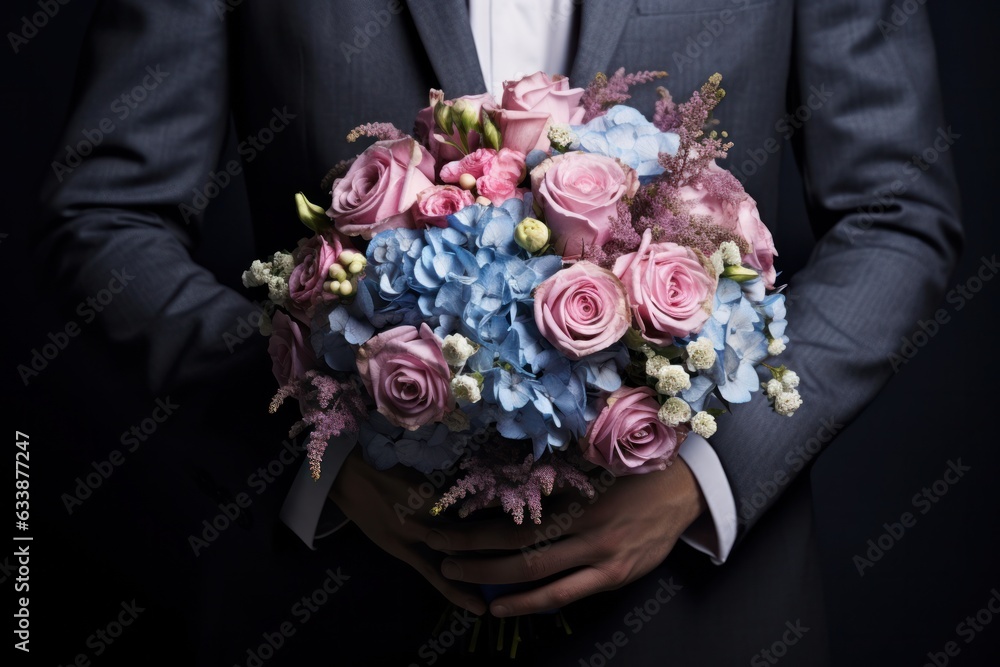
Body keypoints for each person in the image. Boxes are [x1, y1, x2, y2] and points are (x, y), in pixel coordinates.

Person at [35, 0, 961, 664]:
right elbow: (108, 214)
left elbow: (897, 210)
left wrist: (707, 471)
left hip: (694, 617)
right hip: (332, 607)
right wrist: (317, 443)